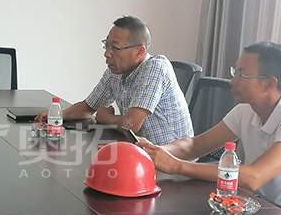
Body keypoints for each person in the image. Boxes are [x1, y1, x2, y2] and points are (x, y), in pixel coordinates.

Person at [138, 41, 281, 215]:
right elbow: (195, 146)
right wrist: (153, 151)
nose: (233, 81)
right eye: (235, 72)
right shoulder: (247, 110)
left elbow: (254, 177)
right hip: (268, 208)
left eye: (242, 75)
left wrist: (176, 166)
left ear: (269, 83)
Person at [37, 16, 193, 145]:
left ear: (139, 52)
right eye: (107, 45)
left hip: (172, 160)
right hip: (141, 150)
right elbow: (88, 106)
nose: (107, 53)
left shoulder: (155, 68)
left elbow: (131, 125)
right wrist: (56, 116)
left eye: (115, 48)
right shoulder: (116, 71)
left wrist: (106, 118)